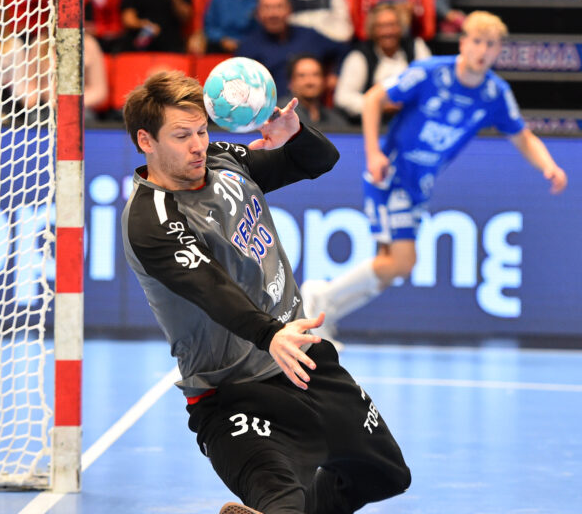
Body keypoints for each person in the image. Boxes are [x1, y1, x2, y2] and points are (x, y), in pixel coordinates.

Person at [120, 69, 411, 514]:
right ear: (146, 141)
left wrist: (295, 133)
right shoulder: (151, 220)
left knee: (385, 474)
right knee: (282, 500)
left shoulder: (222, 161)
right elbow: (211, 288)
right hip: (230, 390)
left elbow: (317, 160)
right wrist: (270, 334)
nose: (198, 145)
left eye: (201, 131)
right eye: (182, 136)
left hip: (302, 361)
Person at [302, 11, 568, 341]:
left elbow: (523, 136)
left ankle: (323, 312)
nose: (483, 51)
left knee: (389, 266)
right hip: (392, 175)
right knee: (402, 262)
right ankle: (320, 297)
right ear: (463, 43)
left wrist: (548, 165)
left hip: (420, 184)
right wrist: (373, 153)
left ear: (499, 50)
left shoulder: (495, 93)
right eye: (477, 42)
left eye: (491, 45)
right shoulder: (430, 72)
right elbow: (373, 98)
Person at [237, 0, 353, 98]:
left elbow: (344, 50)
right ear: (258, 12)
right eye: (267, 8)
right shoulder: (248, 47)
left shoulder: (309, 36)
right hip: (273, 107)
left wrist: (336, 74)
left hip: (311, 106)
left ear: (289, 9)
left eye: (279, 7)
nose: (273, 14)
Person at [334, 3, 431, 121]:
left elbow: (430, 84)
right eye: (381, 26)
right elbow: (343, 97)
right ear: (372, 30)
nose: (387, 32)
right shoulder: (359, 56)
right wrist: (378, 105)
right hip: (373, 122)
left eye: (392, 25)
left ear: (401, 27)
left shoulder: (416, 47)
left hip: (413, 118)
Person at [280, 56, 351, 131]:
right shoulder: (280, 115)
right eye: (302, 75)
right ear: (290, 83)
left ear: (324, 81)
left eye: (315, 75)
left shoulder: (336, 121)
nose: (309, 81)